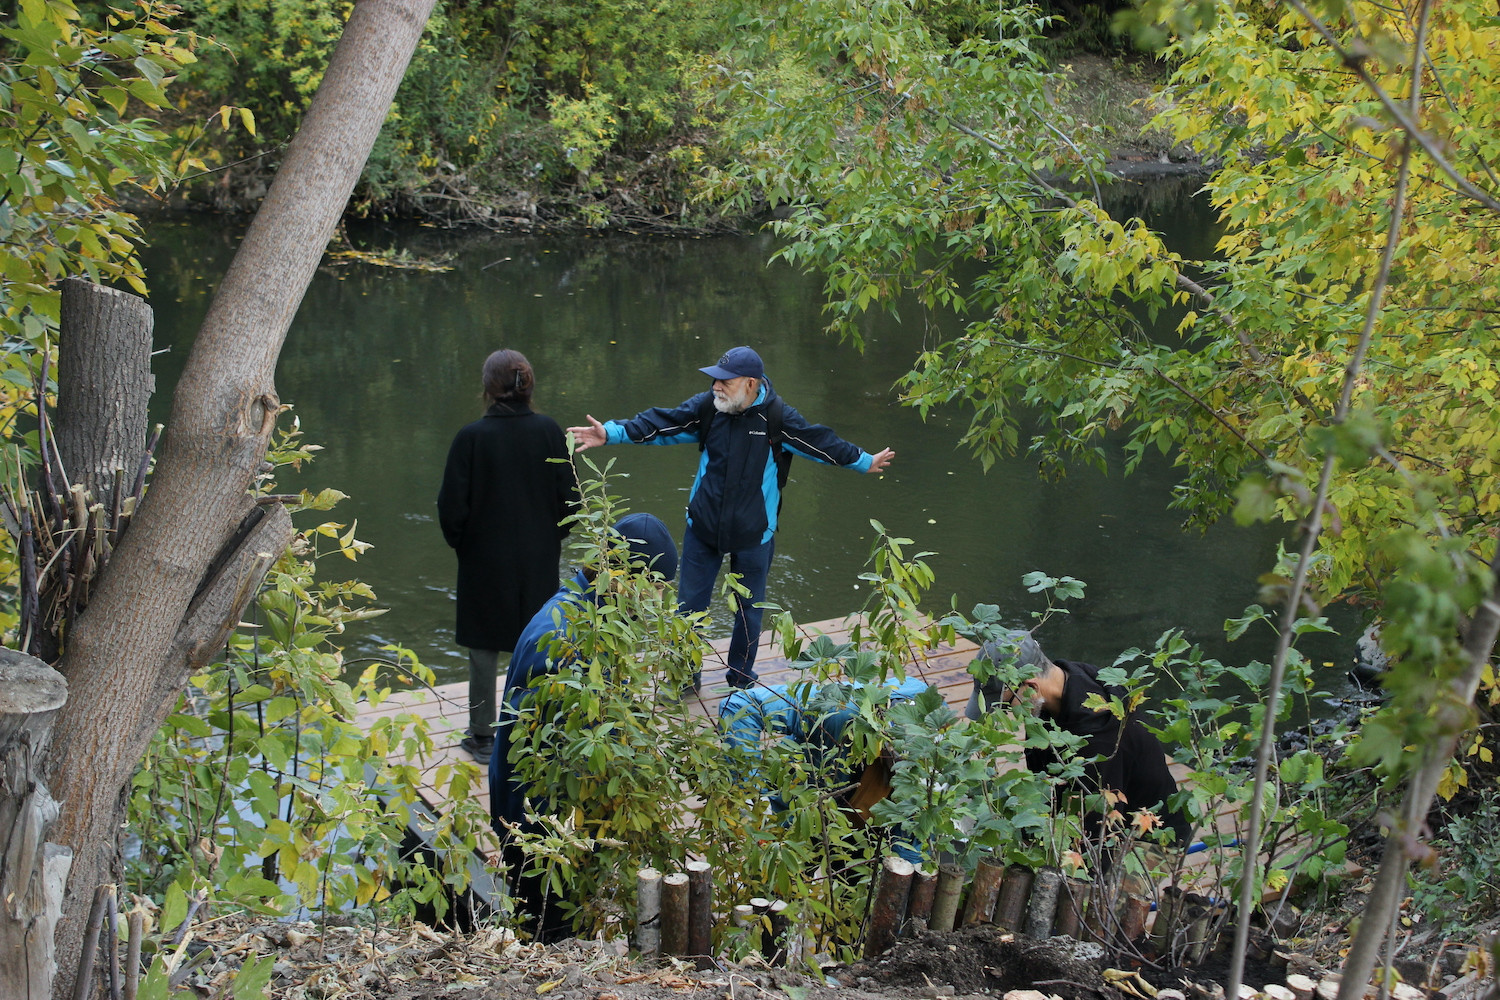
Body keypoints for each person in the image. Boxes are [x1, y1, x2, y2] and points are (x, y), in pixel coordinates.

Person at [567, 346, 895, 690]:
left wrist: (863, 460)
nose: (716, 387)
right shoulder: (709, 409)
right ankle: (683, 680)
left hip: (754, 535)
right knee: (689, 610)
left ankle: (741, 679)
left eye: (725, 381)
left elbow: (820, 442)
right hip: (703, 529)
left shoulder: (778, 419)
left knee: (749, 612)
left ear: (751, 383)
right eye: (714, 380)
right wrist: (611, 432)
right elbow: (661, 423)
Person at [489, 511, 678, 940]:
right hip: (539, 827)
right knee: (549, 933)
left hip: (555, 820)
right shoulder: (565, 639)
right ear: (627, 578)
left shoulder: (591, 614)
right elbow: (541, 755)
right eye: (657, 585)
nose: (660, 598)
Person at [438, 349, 579, 761]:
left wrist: (464, 544)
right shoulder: (550, 431)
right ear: (528, 385)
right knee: (538, 639)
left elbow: (451, 508)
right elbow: (572, 500)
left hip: (483, 560)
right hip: (539, 556)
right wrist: (550, 537)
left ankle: (482, 736)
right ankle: (538, 726)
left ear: (487, 388)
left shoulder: (471, 438)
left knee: (483, 644)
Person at [966, 630, 1193, 848]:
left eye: (1006, 704)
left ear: (1031, 686)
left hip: (1144, 837)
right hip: (1077, 808)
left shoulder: (1098, 740)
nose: (1006, 713)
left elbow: (1097, 840)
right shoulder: (1062, 684)